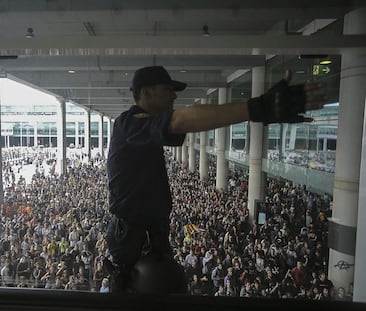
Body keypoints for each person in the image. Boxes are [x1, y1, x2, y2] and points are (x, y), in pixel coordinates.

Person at [105, 65, 326, 294]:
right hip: (133, 239)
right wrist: (256, 108)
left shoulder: (140, 130)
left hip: (144, 237)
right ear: (147, 93)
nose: (174, 95)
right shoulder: (129, 123)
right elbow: (180, 121)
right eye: (167, 89)